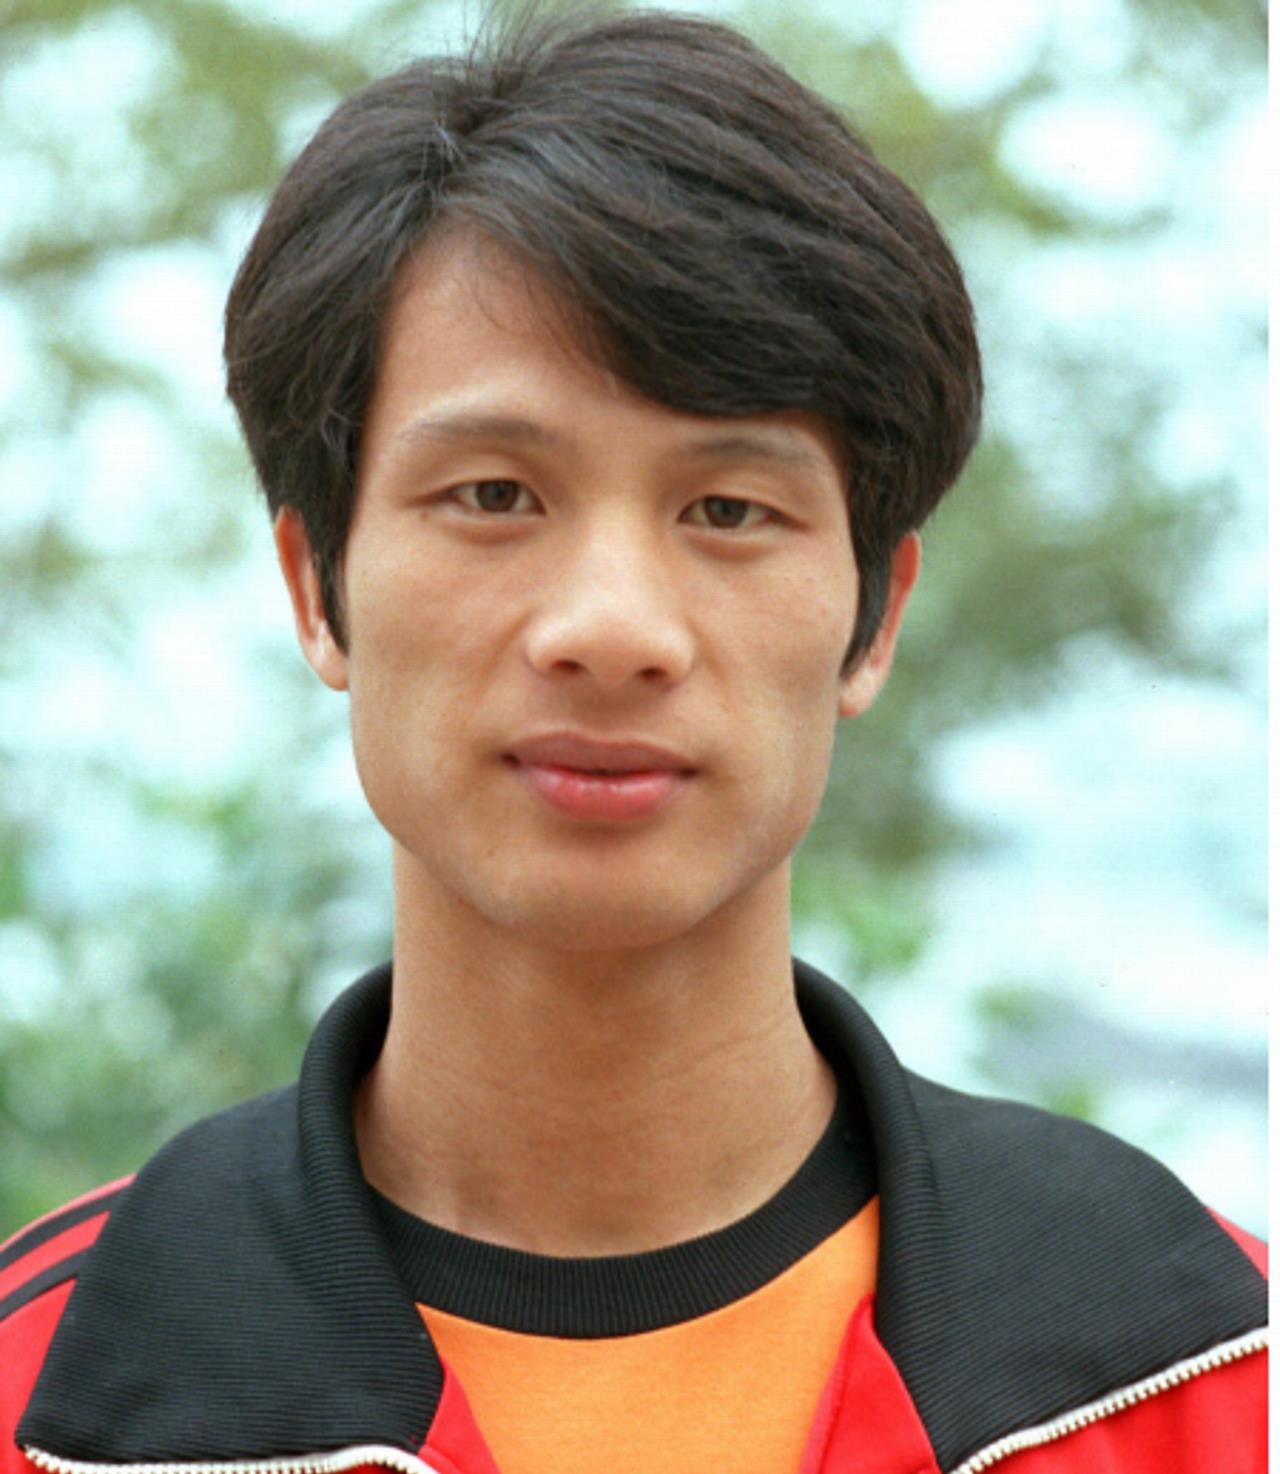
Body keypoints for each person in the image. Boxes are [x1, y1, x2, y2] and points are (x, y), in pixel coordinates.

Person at [0, 9, 1265, 1474]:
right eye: (493, 494)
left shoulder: (1211, 1369)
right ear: (315, 587)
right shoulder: (43, 1391)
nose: (611, 629)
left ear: (874, 618)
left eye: (729, 509)